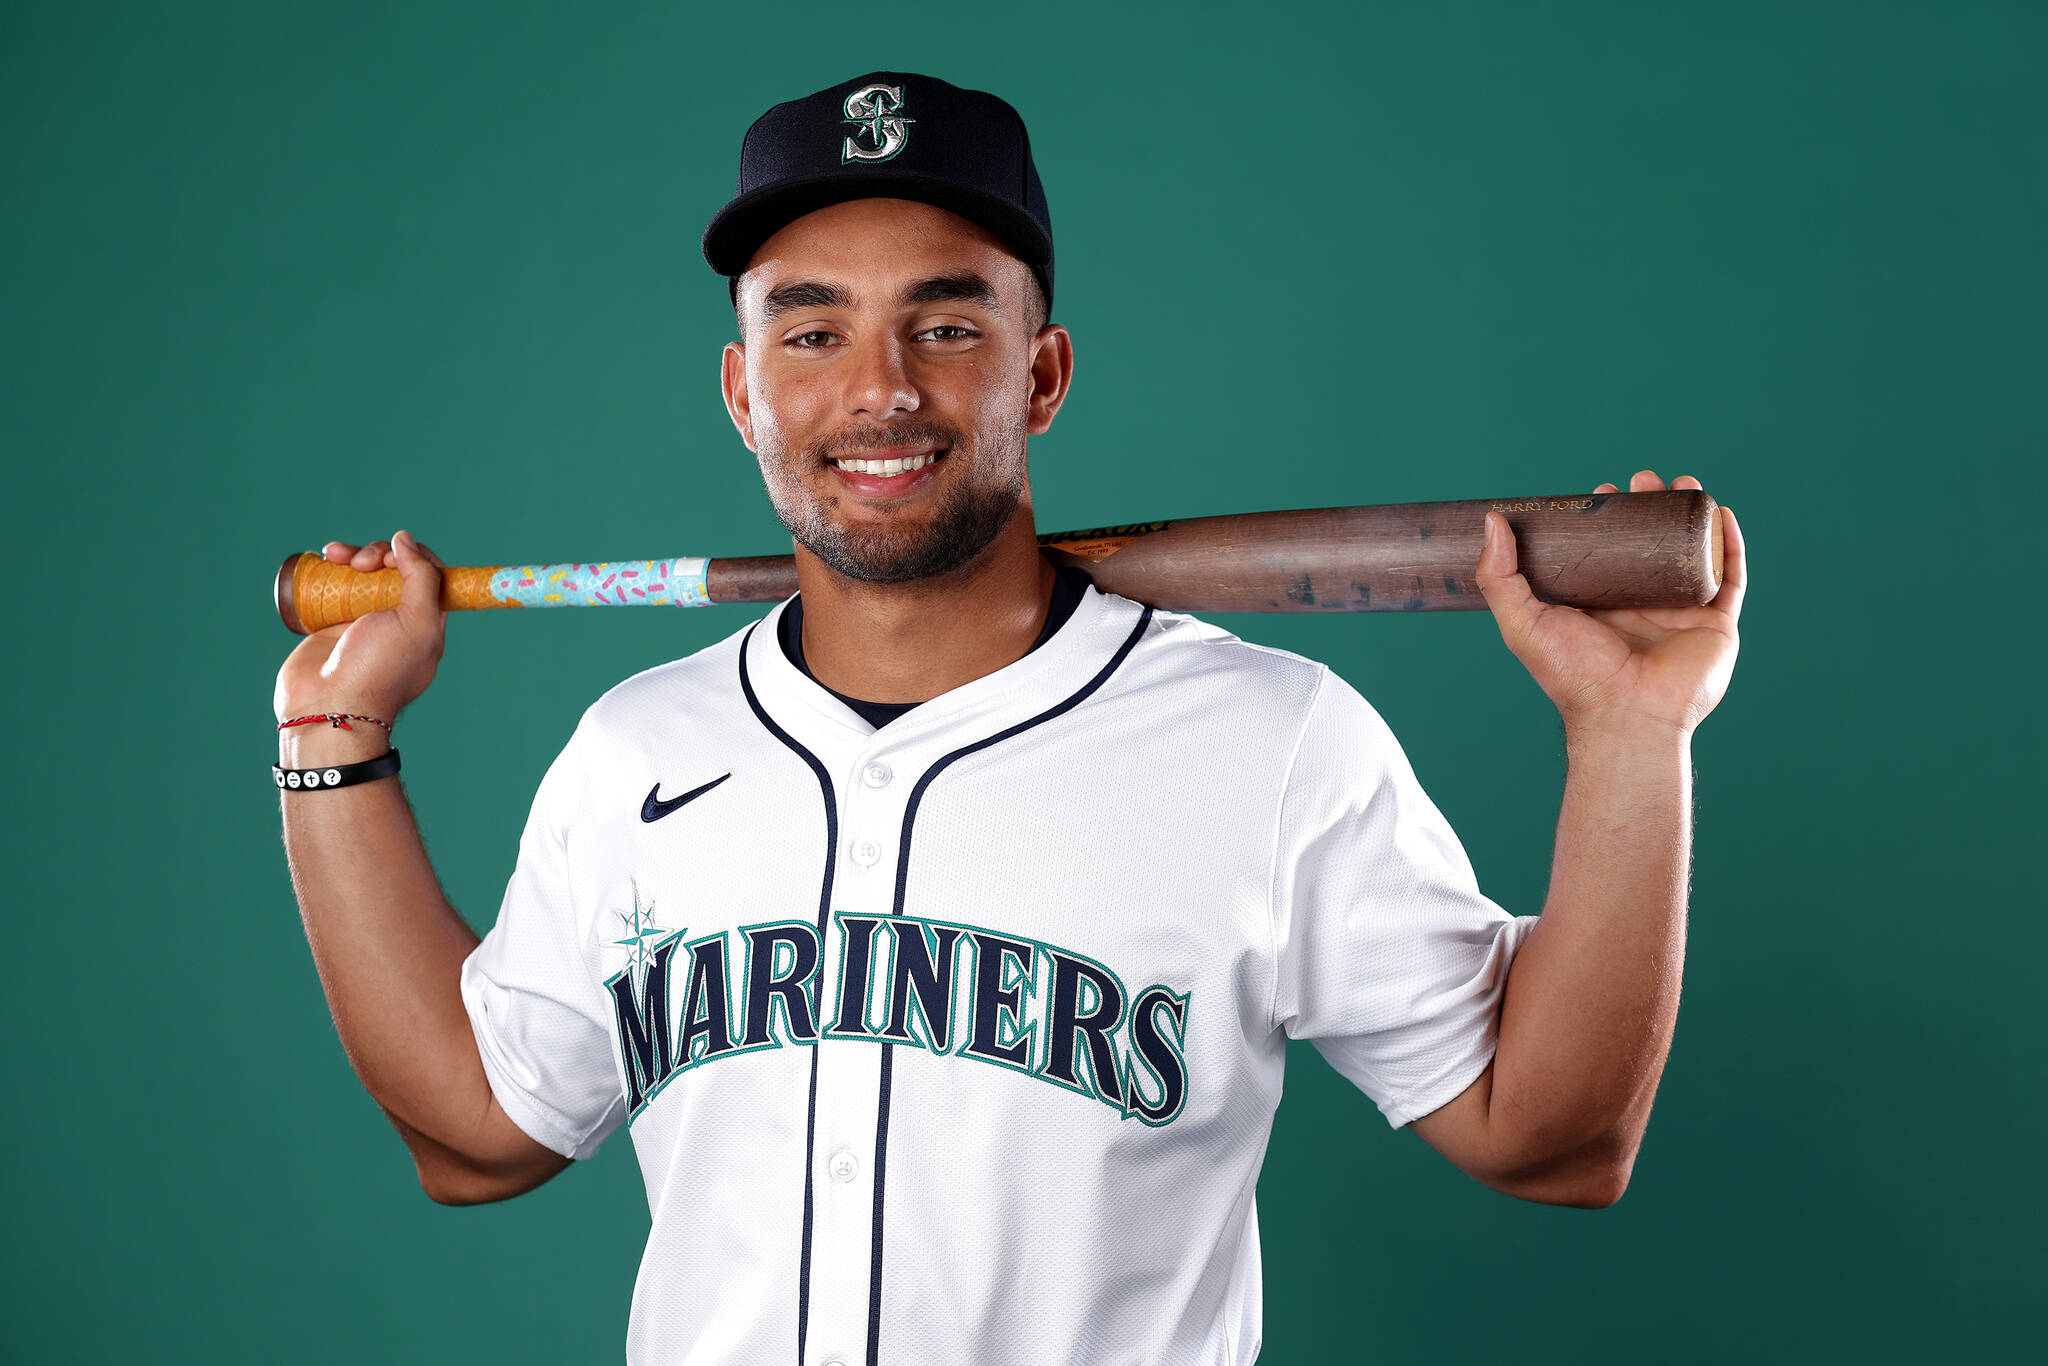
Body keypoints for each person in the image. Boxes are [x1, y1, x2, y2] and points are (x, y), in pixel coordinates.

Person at [273, 72, 1747, 1365]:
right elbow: (476, 1135)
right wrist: (332, 744)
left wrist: (1632, 736)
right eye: (811, 334)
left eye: (946, 322)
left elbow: (1555, 1137)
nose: (881, 391)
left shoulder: (1273, 738)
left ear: (1040, 375)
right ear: (740, 391)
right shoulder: (636, 748)